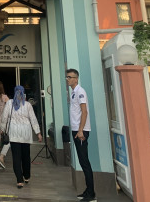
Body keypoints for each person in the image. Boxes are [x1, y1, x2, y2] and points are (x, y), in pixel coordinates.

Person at [0, 85, 42, 189]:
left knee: (16, 157)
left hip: (14, 134)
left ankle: (19, 180)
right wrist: (38, 133)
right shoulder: (27, 105)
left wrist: (2, 129)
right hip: (26, 134)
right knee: (26, 156)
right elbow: (33, 119)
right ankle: (26, 176)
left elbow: (4, 117)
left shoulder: (9, 103)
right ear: (23, 93)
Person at [66, 69, 96, 202]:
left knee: (84, 161)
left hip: (81, 131)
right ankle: (88, 190)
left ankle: (91, 194)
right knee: (82, 161)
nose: (67, 79)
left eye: (70, 77)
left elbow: (84, 112)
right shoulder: (73, 92)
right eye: (67, 77)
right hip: (76, 130)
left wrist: (80, 130)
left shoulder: (80, 91)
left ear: (76, 79)